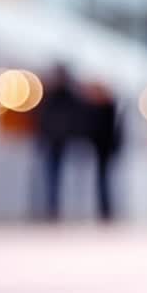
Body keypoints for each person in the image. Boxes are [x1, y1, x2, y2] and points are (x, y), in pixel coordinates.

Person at [34, 64, 83, 221]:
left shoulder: (64, 96)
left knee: (57, 176)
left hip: (61, 141)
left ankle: (56, 208)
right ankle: (52, 208)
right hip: (53, 141)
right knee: (51, 176)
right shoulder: (54, 95)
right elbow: (43, 119)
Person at [82, 82, 122, 222]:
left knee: (104, 179)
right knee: (102, 179)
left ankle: (105, 209)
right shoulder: (106, 108)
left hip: (104, 148)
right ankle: (103, 208)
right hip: (100, 148)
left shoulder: (107, 109)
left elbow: (107, 131)